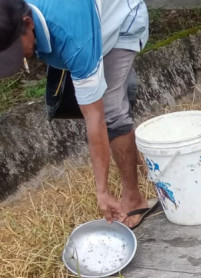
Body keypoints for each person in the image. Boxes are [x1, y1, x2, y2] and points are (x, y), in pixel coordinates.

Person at [0, 0, 154, 228]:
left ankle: (134, 198)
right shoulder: (10, 9)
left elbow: (95, 118)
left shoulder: (73, 37)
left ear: (28, 22)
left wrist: (102, 191)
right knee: (91, 99)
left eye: (14, 50)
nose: (17, 58)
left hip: (122, 20)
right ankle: (138, 164)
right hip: (87, 23)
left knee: (111, 113)